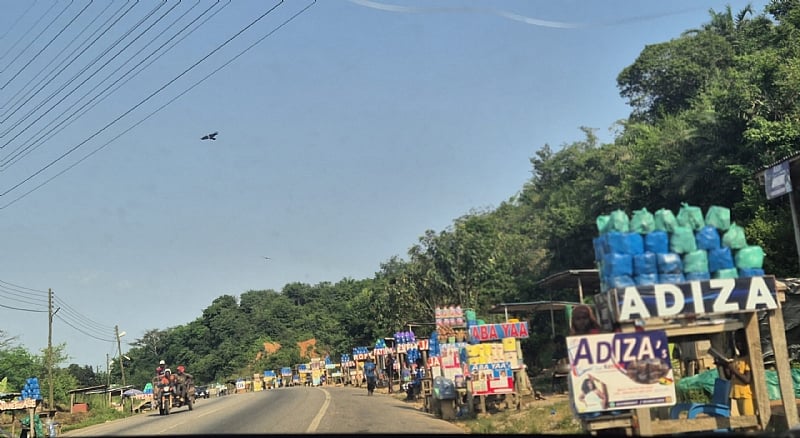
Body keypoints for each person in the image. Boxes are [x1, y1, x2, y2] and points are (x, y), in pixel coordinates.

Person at [721, 332, 753, 416]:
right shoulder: (736, 358)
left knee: (749, 419)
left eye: (742, 341)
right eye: (737, 342)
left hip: (747, 395)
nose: (739, 344)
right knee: (742, 420)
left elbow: (747, 379)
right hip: (737, 394)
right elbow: (729, 377)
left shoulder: (748, 359)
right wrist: (725, 366)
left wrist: (733, 369)